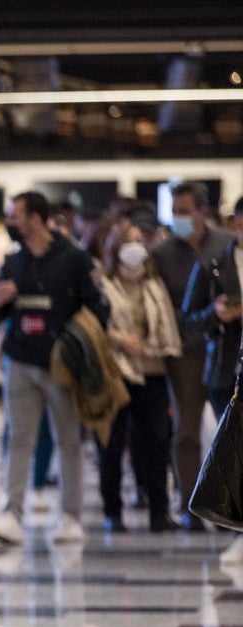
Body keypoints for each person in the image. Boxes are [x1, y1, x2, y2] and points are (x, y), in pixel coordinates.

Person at [0, 191, 110, 546]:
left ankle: (70, 517)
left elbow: (100, 309)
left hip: (61, 365)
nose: (10, 222)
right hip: (20, 362)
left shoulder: (74, 259)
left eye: (14, 216)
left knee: (68, 440)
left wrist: (73, 342)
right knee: (18, 439)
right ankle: (12, 514)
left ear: (36, 219)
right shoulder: (14, 262)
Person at [152, 182, 232, 531]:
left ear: (202, 211)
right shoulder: (163, 253)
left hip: (226, 350)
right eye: (174, 211)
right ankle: (190, 504)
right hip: (184, 353)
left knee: (228, 432)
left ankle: (229, 503)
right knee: (186, 431)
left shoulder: (227, 244)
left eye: (184, 210)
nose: (178, 218)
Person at [98, 225, 179, 532]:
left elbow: (165, 325)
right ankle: (112, 512)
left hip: (152, 370)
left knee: (156, 441)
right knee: (112, 444)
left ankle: (159, 511)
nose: (135, 247)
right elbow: (93, 325)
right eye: (128, 242)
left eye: (138, 241)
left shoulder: (154, 285)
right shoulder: (103, 285)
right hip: (115, 373)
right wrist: (121, 340)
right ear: (115, 248)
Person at [180, 193, 243, 420]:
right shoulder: (211, 269)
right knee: (232, 448)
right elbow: (187, 322)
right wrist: (216, 314)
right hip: (226, 370)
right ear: (239, 222)